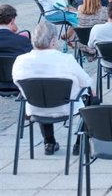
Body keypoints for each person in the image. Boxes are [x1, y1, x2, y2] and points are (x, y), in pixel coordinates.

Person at [13, 21, 93, 155]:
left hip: (35, 107)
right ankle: (80, 142)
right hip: (65, 106)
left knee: (40, 91)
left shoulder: (21, 60)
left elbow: (17, 82)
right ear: (53, 41)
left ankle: (49, 142)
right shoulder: (66, 59)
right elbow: (85, 82)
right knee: (92, 94)